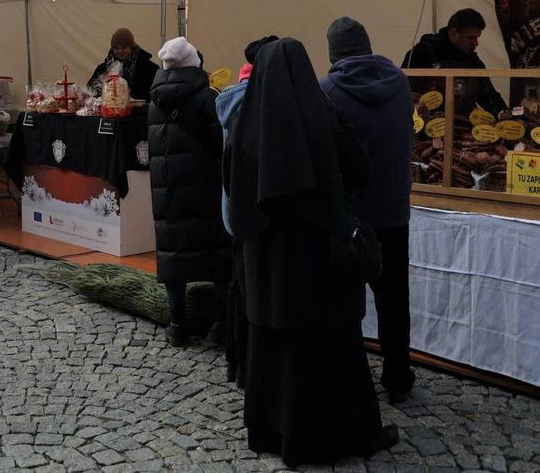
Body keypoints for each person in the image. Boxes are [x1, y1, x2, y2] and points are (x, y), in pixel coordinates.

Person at [227, 38, 398, 467]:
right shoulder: (325, 118)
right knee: (330, 353)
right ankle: (342, 434)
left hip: (266, 267)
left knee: (274, 351)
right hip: (322, 264)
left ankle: (272, 432)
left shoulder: (245, 124)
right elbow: (361, 170)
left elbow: (234, 192)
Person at [320, 17, 416, 404]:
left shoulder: (326, 89)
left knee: (344, 300)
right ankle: (397, 378)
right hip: (395, 208)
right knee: (395, 299)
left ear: (333, 51)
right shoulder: (401, 81)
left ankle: (348, 378)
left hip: (352, 213)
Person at [147, 36, 230, 348]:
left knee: (174, 256)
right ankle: (221, 325)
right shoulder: (207, 98)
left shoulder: (154, 100)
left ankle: (177, 325)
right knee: (219, 255)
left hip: (167, 189)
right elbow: (219, 144)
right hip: (204, 186)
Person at [216, 34, 278, 384]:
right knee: (250, 288)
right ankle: (245, 363)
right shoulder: (258, 105)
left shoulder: (227, 101)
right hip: (252, 212)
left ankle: (235, 360)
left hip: (232, 209)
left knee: (237, 284)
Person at [402, 8, 508, 115]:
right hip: (429, 126)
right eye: (471, 38)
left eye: (477, 37)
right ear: (453, 32)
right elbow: (403, 91)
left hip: (464, 125)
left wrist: (503, 113)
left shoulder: (472, 60)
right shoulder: (422, 52)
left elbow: (488, 95)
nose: (476, 43)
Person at [87, 27, 159, 102]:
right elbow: (91, 90)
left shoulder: (149, 68)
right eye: (116, 48)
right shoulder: (102, 69)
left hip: (139, 112)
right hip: (109, 111)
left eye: (124, 47)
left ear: (132, 47)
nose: (120, 51)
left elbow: (154, 94)